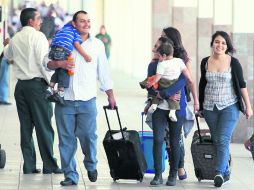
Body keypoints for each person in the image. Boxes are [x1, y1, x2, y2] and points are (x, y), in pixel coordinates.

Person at [45, 10, 116, 186]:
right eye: (82, 21)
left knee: (88, 136)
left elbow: (104, 72)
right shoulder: (62, 39)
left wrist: (110, 95)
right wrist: (60, 64)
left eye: (88, 21)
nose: (86, 24)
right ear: (74, 24)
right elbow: (46, 62)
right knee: (66, 140)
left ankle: (91, 164)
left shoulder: (97, 45)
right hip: (64, 101)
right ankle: (70, 175)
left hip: (87, 101)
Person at [3, 8, 62, 174]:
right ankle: (49, 165)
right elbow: (44, 62)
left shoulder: (15, 38)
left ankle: (29, 166)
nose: (40, 22)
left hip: (20, 88)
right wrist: (53, 84)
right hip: (37, 87)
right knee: (44, 127)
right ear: (31, 21)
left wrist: (7, 44)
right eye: (38, 19)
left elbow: (7, 55)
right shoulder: (38, 37)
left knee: (26, 128)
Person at [198, 31, 253, 187]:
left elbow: (242, 85)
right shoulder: (205, 62)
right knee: (217, 141)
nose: (219, 45)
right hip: (210, 108)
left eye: (223, 43)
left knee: (223, 140)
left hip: (229, 107)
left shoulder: (233, 62)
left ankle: (219, 173)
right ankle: (226, 171)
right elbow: (203, 85)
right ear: (212, 44)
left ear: (227, 46)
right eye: (217, 42)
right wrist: (200, 106)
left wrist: (248, 106)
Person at [148, 36, 199, 186]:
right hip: (159, 109)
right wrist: (155, 94)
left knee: (175, 142)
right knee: (158, 140)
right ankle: (158, 175)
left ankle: (172, 174)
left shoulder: (178, 63)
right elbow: (150, 85)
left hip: (177, 108)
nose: (155, 49)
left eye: (157, 46)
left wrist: (166, 93)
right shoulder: (153, 66)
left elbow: (185, 81)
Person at [162, 26, 193, 182]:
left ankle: (178, 167)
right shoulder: (161, 54)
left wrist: (196, 101)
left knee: (176, 138)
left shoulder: (182, 58)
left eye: (164, 37)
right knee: (167, 137)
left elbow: (186, 80)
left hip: (177, 100)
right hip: (161, 101)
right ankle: (174, 166)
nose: (161, 40)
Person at [140, 38, 195, 122]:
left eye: (156, 47)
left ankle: (155, 105)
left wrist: (153, 83)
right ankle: (165, 110)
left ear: (164, 54)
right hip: (161, 109)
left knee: (175, 134)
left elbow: (157, 78)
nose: (153, 50)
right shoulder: (178, 62)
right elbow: (187, 75)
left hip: (176, 106)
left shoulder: (163, 64)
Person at [45, 20, 92, 104]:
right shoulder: (74, 31)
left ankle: (50, 86)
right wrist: (85, 55)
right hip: (63, 51)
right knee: (65, 70)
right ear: (75, 25)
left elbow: (53, 40)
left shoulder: (61, 30)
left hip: (53, 50)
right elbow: (77, 44)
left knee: (59, 69)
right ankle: (60, 93)